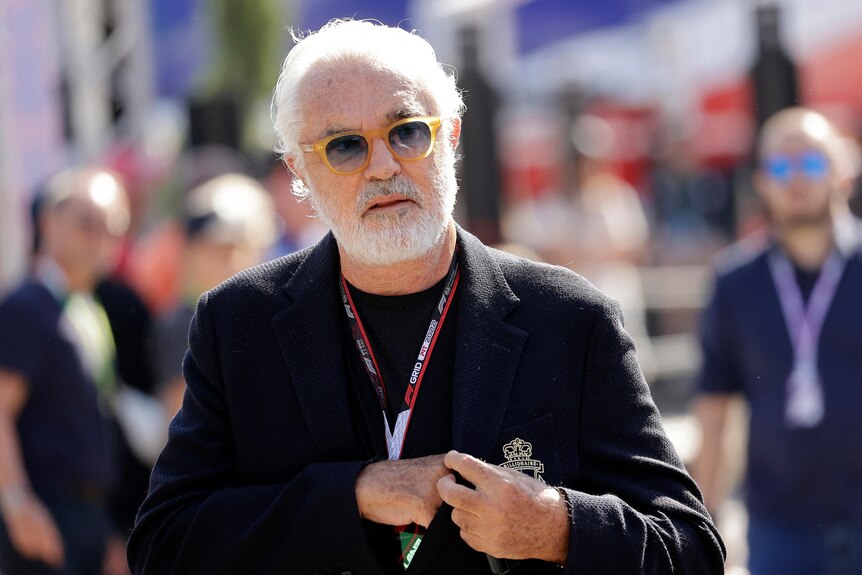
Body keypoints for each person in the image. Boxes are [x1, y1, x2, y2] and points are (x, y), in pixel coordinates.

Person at [128, 19, 724, 574]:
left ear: (452, 138)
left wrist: (556, 526)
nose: (383, 165)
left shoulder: (568, 317)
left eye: (407, 131)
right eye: (344, 146)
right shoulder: (237, 324)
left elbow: (692, 547)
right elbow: (163, 545)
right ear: (298, 172)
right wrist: (351, 494)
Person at [692, 107, 862, 575]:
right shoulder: (735, 282)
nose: (796, 180)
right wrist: (707, 523)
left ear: (843, 171)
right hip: (779, 528)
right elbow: (713, 407)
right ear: (762, 182)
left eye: (811, 163)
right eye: (781, 167)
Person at [0, 168, 129, 573]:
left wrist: (103, 528)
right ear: (48, 223)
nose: (100, 239)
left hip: (86, 516)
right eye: (87, 223)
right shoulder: (27, 307)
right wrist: (18, 504)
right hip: (44, 516)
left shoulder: (87, 309)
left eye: (112, 228)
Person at [155, 173, 278, 419]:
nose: (233, 261)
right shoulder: (187, 324)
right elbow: (181, 423)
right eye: (221, 251)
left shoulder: (265, 316)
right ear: (190, 254)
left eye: (242, 247)